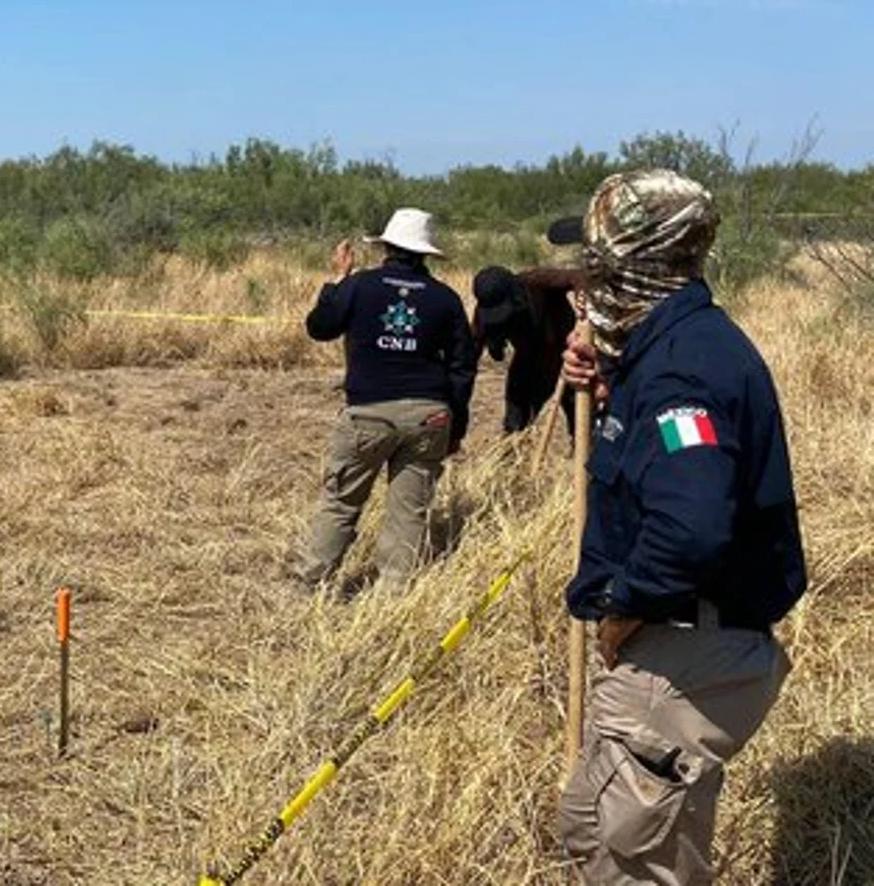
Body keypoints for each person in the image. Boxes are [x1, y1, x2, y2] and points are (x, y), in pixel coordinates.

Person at [555, 169, 806, 885]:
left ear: (635, 265)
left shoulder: (681, 371)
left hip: (682, 651)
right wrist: (607, 381)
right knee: (588, 831)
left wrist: (623, 608)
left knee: (638, 861)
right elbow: (661, 460)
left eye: (595, 262)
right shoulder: (667, 350)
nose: (583, 278)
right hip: (677, 647)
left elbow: (691, 526)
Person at [296, 207, 478, 594]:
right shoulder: (445, 299)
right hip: (429, 416)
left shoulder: (359, 286)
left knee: (341, 502)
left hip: (368, 413)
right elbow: (463, 367)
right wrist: (456, 427)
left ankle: (310, 584)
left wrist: (337, 281)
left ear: (387, 247)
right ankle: (393, 595)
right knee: (409, 511)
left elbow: (319, 327)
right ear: (425, 253)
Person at [469, 264, 582, 434]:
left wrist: (584, 299)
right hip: (527, 360)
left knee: (579, 421)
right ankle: (514, 451)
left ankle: (582, 455)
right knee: (515, 424)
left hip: (568, 358)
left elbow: (579, 276)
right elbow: (470, 354)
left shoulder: (536, 282)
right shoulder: (486, 312)